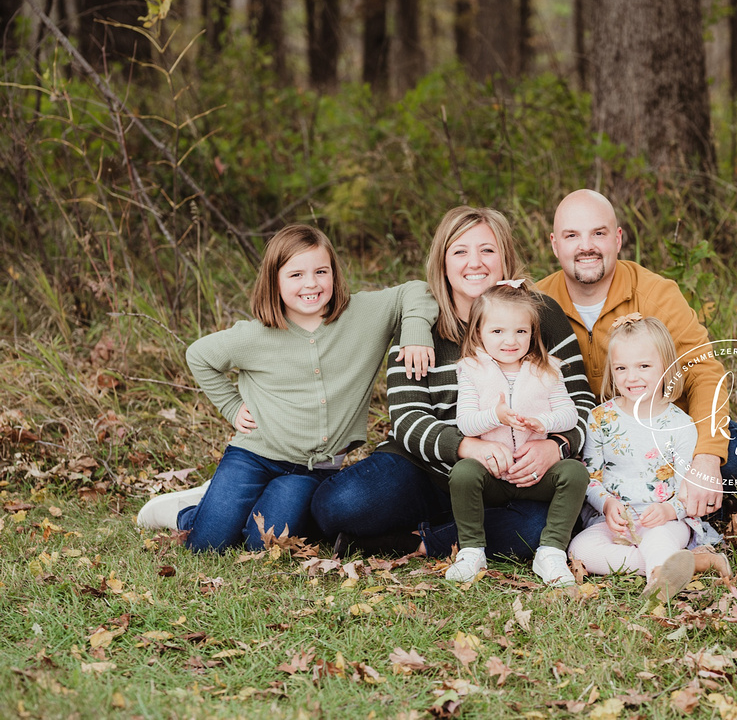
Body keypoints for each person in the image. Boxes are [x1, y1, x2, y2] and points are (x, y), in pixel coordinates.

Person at [310, 207, 597, 568]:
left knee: (540, 527)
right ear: (443, 262)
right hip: (424, 470)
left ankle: (420, 540)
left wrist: (558, 445)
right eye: (460, 251)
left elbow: (582, 398)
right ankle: (445, 527)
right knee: (339, 505)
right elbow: (407, 416)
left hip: (510, 478)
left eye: (487, 250)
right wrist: (465, 446)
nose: (474, 262)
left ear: (505, 257)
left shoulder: (539, 313)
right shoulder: (421, 322)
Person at [135, 224, 437, 552]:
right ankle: (187, 512)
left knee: (261, 544)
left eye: (321, 271)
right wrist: (231, 407)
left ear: (334, 275)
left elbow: (417, 290)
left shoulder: (362, 315)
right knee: (207, 543)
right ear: (274, 281)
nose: (311, 283)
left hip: (311, 470)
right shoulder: (254, 335)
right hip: (253, 455)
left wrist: (416, 332)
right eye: (296, 275)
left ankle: (230, 504)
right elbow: (198, 356)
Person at [536, 189, 737, 520]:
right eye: (572, 235)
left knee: (735, 459)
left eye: (598, 233)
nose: (586, 246)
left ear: (617, 239)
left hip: (669, 434)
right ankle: (692, 513)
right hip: (595, 442)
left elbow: (704, 371)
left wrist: (706, 458)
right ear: (554, 244)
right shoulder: (536, 305)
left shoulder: (656, 294)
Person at [569, 314, 727, 602]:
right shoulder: (600, 419)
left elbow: (686, 488)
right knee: (581, 550)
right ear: (612, 372)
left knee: (658, 540)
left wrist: (669, 511)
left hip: (664, 522)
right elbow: (590, 477)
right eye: (621, 368)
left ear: (666, 367)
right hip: (616, 523)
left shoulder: (680, 425)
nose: (632, 377)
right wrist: (606, 504)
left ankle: (659, 579)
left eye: (644, 366)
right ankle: (691, 563)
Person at [445, 280, 588, 584]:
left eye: (520, 331)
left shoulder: (546, 369)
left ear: (532, 333)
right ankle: (471, 551)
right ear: (479, 333)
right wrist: (494, 416)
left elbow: (570, 414)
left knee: (575, 473)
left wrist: (544, 423)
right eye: (498, 331)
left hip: (534, 474)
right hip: (493, 473)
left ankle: (551, 552)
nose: (510, 340)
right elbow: (465, 423)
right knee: (463, 473)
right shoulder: (471, 370)